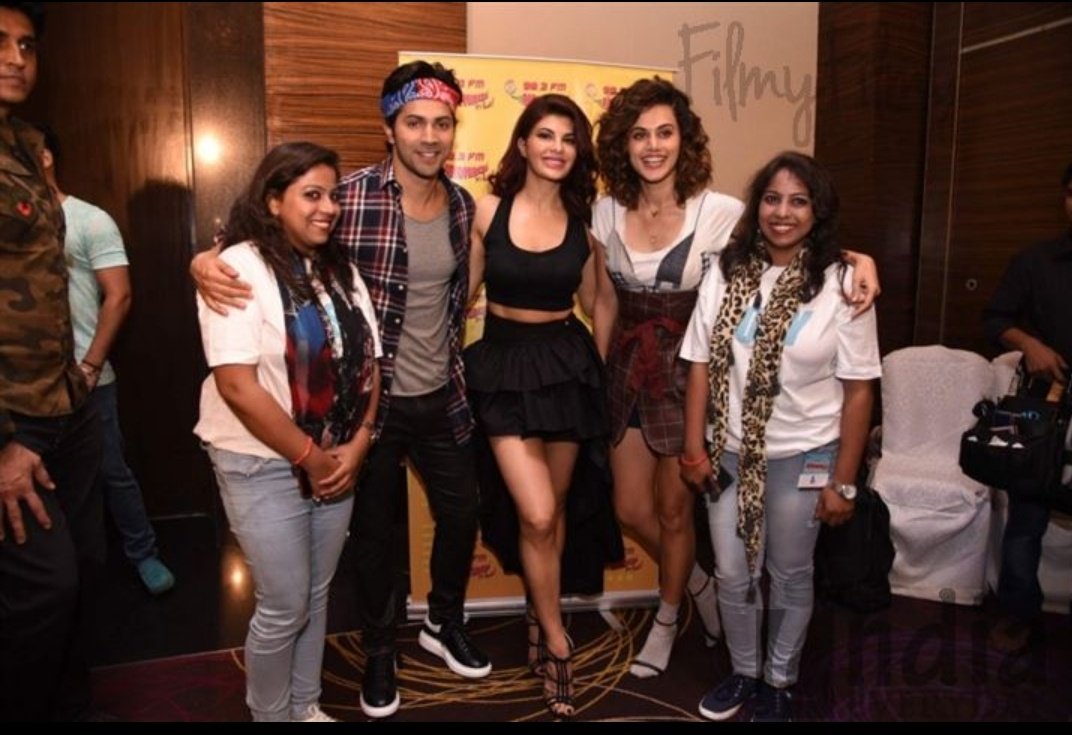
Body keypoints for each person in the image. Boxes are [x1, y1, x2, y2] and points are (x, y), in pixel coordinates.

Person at [192, 61, 492, 720]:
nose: (430, 136)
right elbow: (245, 245)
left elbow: (455, 296)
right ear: (390, 127)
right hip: (347, 417)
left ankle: (441, 623)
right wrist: (201, 261)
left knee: (462, 512)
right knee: (372, 540)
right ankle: (379, 651)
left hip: (431, 394)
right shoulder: (346, 194)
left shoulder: (463, 205)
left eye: (442, 124)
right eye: (415, 122)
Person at [593, 77, 881, 678]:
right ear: (623, 144)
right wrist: (598, 373)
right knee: (628, 507)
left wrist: (860, 259)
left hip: (689, 370)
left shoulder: (720, 211)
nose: (653, 146)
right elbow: (602, 301)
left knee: (677, 513)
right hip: (629, 364)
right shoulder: (602, 209)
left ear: (684, 139)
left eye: (665, 133)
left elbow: (789, 238)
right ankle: (696, 582)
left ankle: (669, 619)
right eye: (639, 134)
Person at [680, 152, 880, 722]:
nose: (783, 212)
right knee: (733, 570)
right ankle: (745, 673)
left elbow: (860, 390)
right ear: (757, 205)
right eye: (772, 198)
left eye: (798, 200)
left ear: (818, 211)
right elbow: (698, 363)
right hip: (732, 453)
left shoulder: (845, 284)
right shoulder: (724, 270)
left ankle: (780, 680)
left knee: (790, 573)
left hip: (806, 454)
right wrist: (694, 448)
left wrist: (844, 482)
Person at [194, 141, 381, 722]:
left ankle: (306, 706)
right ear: (274, 201)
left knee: (318, 596)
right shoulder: (236, 268)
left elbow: (371, 361)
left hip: (335, 459)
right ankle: (271, 716)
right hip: (261, 462)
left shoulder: (339, 267)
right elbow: (237, 386)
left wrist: (360, 439)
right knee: (284, 605)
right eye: (311, 195)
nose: (327, 208)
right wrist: (310, 456)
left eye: (333, 196)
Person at [465, 93, 617, 718]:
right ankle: (557, 639)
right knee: (533, 514)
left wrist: (599, 369)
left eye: (568, 138)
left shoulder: (586, 226)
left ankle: (539, 614)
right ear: (523, 144)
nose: (556, 147)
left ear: (577, 152)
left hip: (564, 369)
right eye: (544, 135)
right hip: (501, 365)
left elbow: (600, 299)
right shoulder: (485, 212)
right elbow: (461, 294)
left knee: (550, 519)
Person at [0, 3, 105, 722]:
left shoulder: (28, 143)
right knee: (44, 587)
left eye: (26, 44)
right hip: (12, 420)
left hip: (62, 400)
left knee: (86, 573)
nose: (15, 57)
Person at [34, 123, 176, 596]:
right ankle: (61, 572)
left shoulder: (89, 220)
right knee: (37, 481)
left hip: (86, 376)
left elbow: (118, 297)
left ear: (46, 155)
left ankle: (143, 552)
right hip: (26, 385)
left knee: (112, 469)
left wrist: (91, 366)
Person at [982, 161, 1072, 651]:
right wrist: (1029, 345)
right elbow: (994, 318)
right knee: (1026, 520)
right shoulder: (1035, 261)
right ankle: (1018, 612)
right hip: (1042, 410)